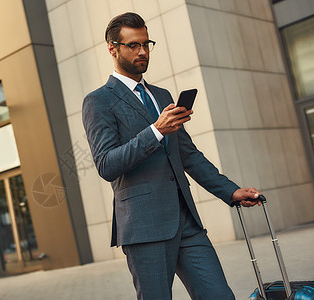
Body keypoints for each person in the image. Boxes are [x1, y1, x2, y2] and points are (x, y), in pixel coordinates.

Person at [82, 12, 261, 300]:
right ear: (112, 49)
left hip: (186, 222)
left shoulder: (162, 95)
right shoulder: (98, 101)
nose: (142, 51)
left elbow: (189, 156)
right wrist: (155, 131)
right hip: (144, 227)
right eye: (133, 45)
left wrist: (231, 191)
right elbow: (106, 165)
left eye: (146, 43)